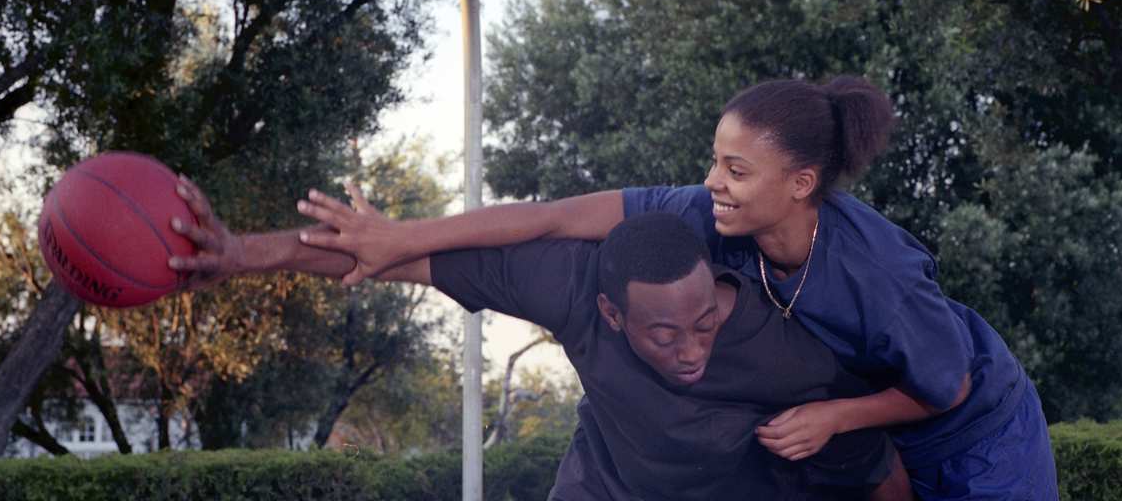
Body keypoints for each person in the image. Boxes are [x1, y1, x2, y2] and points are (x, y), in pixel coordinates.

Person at [291, 76, 1059, 500]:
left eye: (735, 169)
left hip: (974, 429)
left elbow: (948, 385)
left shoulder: (880, 275)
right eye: (714, 160)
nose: (710, 182)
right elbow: (557, 220)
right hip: (870, 428)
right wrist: (405, 237)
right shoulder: (706, 215)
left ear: (800, 183)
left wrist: (834, 415)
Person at [169, 190, 911, 500]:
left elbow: (877, 457)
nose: (692, 350)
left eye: (705, 322)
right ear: (610, 315)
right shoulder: (568, 284)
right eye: (664, 333)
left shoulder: (785, 348)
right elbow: (388, 257)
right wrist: (244, 254)